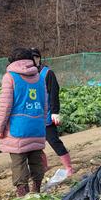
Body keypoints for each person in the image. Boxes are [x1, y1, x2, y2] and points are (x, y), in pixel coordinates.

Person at [0, 48, 48, 196]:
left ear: (11, 61)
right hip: (37, 126)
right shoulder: (40, 77)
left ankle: (23, 193)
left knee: (19, 162)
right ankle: (37, 189)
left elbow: (5, 106)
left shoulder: (10, 77)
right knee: (36, 159)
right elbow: (45, 104)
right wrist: (42, 124)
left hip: (18, 128)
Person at [30, 48, 73, 176]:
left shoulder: (47, 73)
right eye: (31, 57)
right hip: (33, 116)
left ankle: (69, 167)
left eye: (36, 57)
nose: (33, 60)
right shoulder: (26, 75)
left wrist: (55, 112)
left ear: (39, 58)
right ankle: (44, 166)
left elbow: (54, 93)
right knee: (35, 144)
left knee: (53, 140)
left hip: (47, 115)